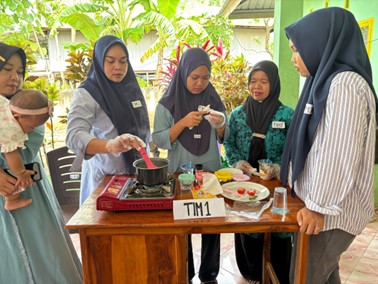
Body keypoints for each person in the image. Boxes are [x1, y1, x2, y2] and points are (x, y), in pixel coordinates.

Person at [279, 7, 377, 284]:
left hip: (331, 213)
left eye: (297, 49)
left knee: (305, 277)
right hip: (321, 207)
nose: (293, 58)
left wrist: (318, 206)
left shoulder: (345, 85)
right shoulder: (321, 82)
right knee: (323, 274)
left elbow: (337, 153)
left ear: (319, 44)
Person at [0, 42, 83, 283]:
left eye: (19, 71)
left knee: (47, 255)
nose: (15, 77)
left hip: (33, 198)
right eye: (7, 69)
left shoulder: (26, 105)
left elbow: (27, 149)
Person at [152, 47, 230, 283]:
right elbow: (160, 139)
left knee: (212, 222)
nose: (200, 83)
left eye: (205, 78)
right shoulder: (167, 104)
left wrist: (219, 125)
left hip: (210, 172)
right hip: (181, 174)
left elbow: (224, 136)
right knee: (182, 222)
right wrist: (183, 123)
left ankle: (209, 274)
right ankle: (184, 272)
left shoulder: (213, 100)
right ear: (183, 72)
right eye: (194, 77)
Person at [224, 60, 294, 284]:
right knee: (247, 228)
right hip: (246, 186)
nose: (257, 86)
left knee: (278, 230)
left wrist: (279, 169)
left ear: (273, 84)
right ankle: (251, 274)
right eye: (253, 81)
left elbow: (295, 151)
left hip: (277, 186)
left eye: (264, 81)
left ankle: (278, 276)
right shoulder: (238, 114)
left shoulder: (286, 115)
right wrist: (237, 163)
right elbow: (230, 144)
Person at [66, 35, 150, 205]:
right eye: (110, 61)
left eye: (123, 61)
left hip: (137, 174)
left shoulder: (130, 88)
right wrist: (111, 145)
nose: (118, 67)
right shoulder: (88, 93)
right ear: (98, 60)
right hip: (105, 177)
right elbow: (74, 135)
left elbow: (141, 124)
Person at [0, 89, 52, 210]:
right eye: (31, 127)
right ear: (17, 117)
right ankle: (11, 201)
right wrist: (21, 173)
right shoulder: (9, 129)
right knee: (16, 178)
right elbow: (11, 155)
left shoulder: (5, 104)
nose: (32, 130)